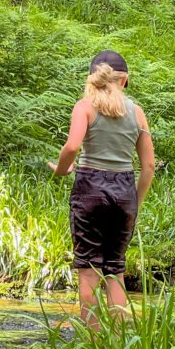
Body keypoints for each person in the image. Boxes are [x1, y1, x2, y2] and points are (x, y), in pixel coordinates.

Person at [48, 50, 155, 325]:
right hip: (124, 191)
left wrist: (62, 170)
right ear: (125, 80)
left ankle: (93, 343)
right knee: (115, 270)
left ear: (93, 78)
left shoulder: (84, 106)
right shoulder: (138, 113)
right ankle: (117, 344)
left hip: (90, 188)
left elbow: (72, 146)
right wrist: (135, 202)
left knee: (89, 269)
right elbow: (149, 167)